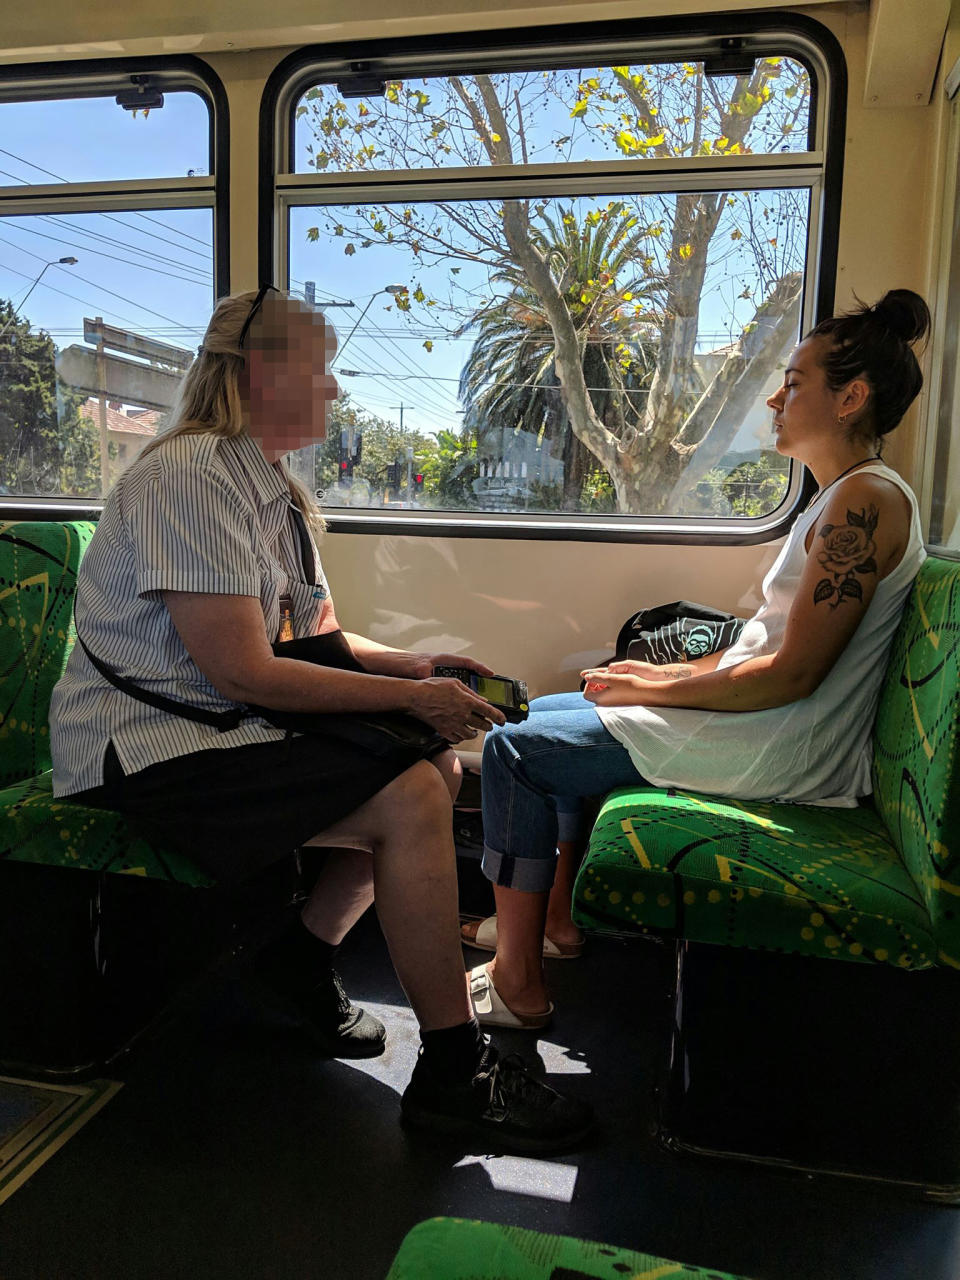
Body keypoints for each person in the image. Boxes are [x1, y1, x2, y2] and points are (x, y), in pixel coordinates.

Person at [49, 286, 595, 1153]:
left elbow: (319, 637)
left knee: (434, 766)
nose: (336, 390)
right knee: (413, 795)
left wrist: (416, 666)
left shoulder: (268, 485)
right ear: (260, 372)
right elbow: (246, 670)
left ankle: (298, 960)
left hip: (218, 723)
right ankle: (454, 1073)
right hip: (147, 746)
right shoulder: (189, 476)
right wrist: (414, 699)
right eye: (321, 368)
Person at [462, 289, 930, 1029]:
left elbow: (792, 673)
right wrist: (649, 677)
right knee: (558, 704)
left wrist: (658, 694)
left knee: (511, 752)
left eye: (795, 382)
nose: (776, 396)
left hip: (786, 744)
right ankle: (553, 923)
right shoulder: (838, 496)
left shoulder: (863, 505)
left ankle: (516, 979)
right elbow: (766, 646)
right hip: (774, 722)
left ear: (853, 398)